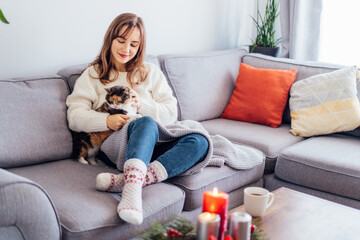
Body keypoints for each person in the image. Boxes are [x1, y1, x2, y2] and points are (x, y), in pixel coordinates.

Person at [66, 13, 209, 225]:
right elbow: (75, 116)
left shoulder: (150, 72)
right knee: (144, 122)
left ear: (140, 46)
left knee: (200, 141)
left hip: (155, 145)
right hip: (119, 146)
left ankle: (127, 180)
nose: (126, 50)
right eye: (121, 41)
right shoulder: (94, 75)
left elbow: (172, 112)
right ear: (110, 40)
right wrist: (106, 121)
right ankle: (132, 196)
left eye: (134, 44)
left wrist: (142, 105)